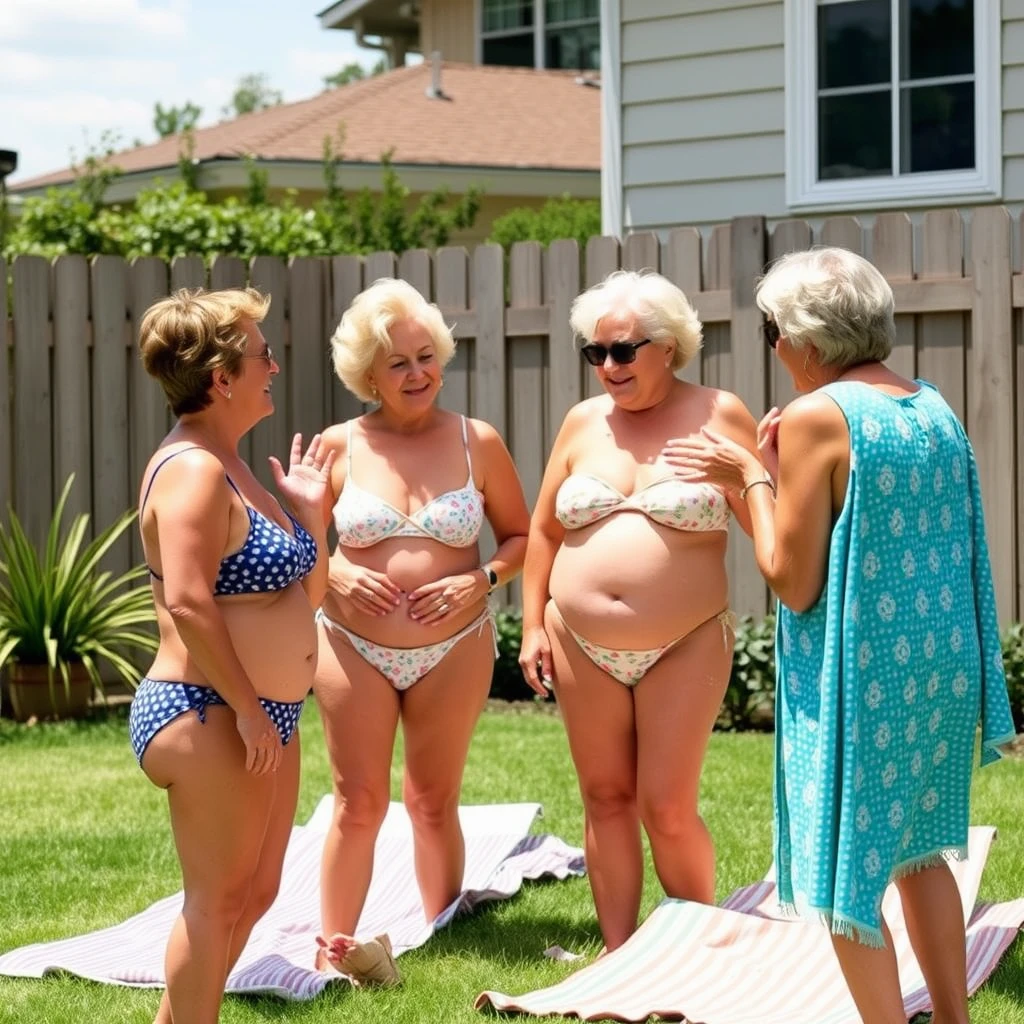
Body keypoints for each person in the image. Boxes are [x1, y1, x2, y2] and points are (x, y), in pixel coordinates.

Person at [661, 247, 1016, 1024]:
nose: (774, 346)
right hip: (939, 667)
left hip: (865, 678)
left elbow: (792, 580)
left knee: (847, 875)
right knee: (918, 850)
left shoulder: (821, 416)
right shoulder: (930, 403)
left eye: (771, 330)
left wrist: (746, 478)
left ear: (809, 341)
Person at [518, 269, 758, 953]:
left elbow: (765, 519)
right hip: (577, 639)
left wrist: (745, 474)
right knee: (605, 797)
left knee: (667, 806)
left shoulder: (721, 412)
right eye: (596, 354)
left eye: (624, 350)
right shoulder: (581, 422)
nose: (608, 366)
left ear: (670, 345)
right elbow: (542, 531)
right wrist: (534, 622)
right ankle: (621, 954)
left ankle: (695, 950)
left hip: (684, 639)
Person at [314, 278, 530, 977]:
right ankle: (333, 945)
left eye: (427, 355)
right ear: (366, 374)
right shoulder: (336, 446)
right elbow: (296, 551)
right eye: (399, 362)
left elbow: (523, 538)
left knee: (432, 797)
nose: (418, 373)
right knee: (359, 800)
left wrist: (482, 579)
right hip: (351, 645)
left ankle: (444, 930)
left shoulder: (478, 441)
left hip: (455, 645)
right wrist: (334, 573)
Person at [131, 287, 333, 1024]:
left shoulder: (235, 466)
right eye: (262, 354)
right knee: (216, 901)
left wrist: (312, 514)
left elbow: (307, 599)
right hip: (206, 707)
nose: (273, 365)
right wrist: (248, 711)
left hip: (259, 712)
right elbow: (187, 602)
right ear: (222, 378)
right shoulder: (192, 470)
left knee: (257, 892)